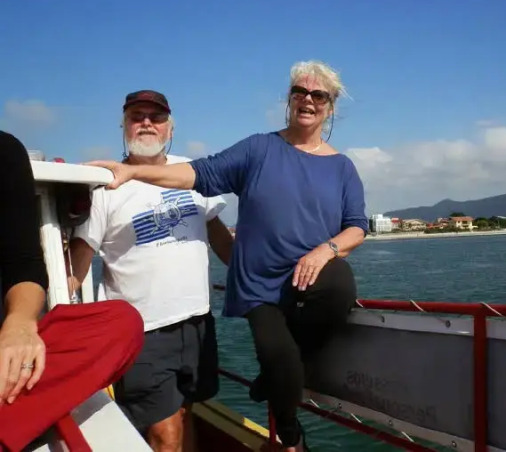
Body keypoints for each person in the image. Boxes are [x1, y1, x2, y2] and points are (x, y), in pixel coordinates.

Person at [88, 61, 368, 452]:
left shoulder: (342, 167)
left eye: (318, 95)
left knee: (340, 286)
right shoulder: (259, 149)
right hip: (260, 285)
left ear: (330, 107)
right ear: (288, 99)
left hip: (310, 280)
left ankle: (279, 374)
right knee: (277, 356)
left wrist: (327, 250)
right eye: (299, 92)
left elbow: (357, 226)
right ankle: (291, 436)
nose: (308, 100)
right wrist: (133, 172)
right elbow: (199, 173)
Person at [68, 90, 234, 452]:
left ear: (170, 128)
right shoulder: (105, 185)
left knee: (185, 414)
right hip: (141, 330)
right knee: (164, 432)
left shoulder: (190, 172)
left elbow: (221, 240)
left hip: (197, 321)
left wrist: (267, 283)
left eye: (156, 117)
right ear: (124, 126)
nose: (146, 123)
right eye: (137, 116)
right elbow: (79, 261)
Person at [0, 130, 144, 451]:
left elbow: (24, 264)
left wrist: (19, 324)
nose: (146, 123)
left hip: (6, 349)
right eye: (137, 117)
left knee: (121, 324)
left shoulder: (4, 152)